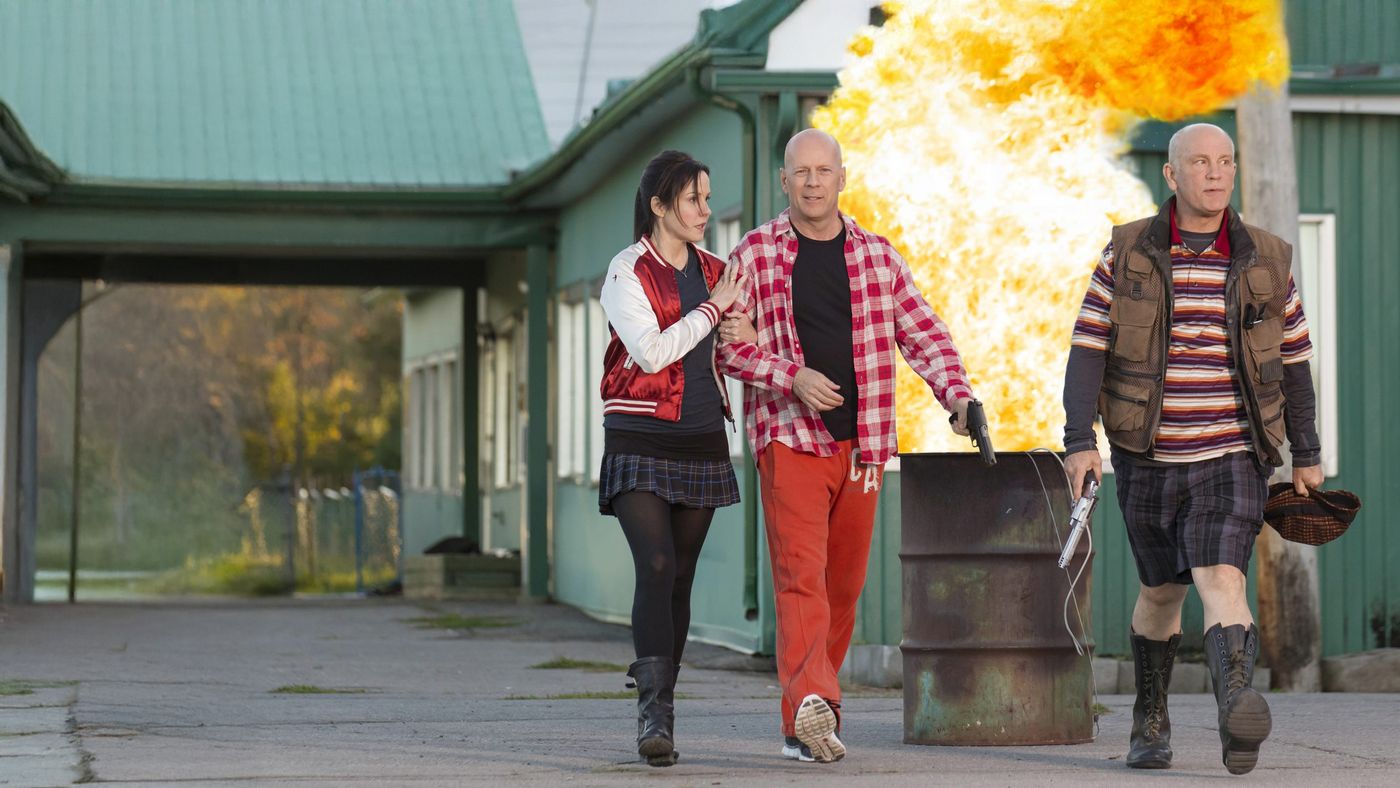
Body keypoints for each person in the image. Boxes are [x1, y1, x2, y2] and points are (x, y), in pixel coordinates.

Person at [1061, 123, 1322, 775]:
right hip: (1147, 456)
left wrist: (1307, 452)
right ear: (1172, 175)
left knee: (1222, 577)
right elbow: (1088, 347)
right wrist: (1079, 441)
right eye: (1201, 162)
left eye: (1226, 161)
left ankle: (1236, 708)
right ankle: (1150, 717)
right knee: (1161, 593)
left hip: (1234, 454)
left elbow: (1294, 361)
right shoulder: (1127, 252)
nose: (1216, 172)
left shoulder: (1268, 259)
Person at [716, 129, 975, 763]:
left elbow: (925, 334)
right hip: (790, 439)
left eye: (823, 171)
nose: (812, 183)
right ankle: (809, 705)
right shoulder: (754, 254)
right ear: (784, 181)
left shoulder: (877, 256)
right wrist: (791, 377)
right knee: (801, 578)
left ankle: (815, 716)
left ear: (841, 177)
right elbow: (726, 348)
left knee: (842, 587)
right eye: (800, 172)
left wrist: (957, 396)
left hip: (864, 445)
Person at [597, 149, 747, 767]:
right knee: (655, 563)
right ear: (659, 206)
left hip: (702, 437)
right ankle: (652, 714)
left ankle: (666, 711)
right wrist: (714, 311)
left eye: (708, 198)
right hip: (638, 435)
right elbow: (653, 352)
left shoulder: (718, 270)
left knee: (681, 575)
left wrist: (743, 330)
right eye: (693, 199)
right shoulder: (626, 271)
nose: (705, 210)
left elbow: (737, 343)